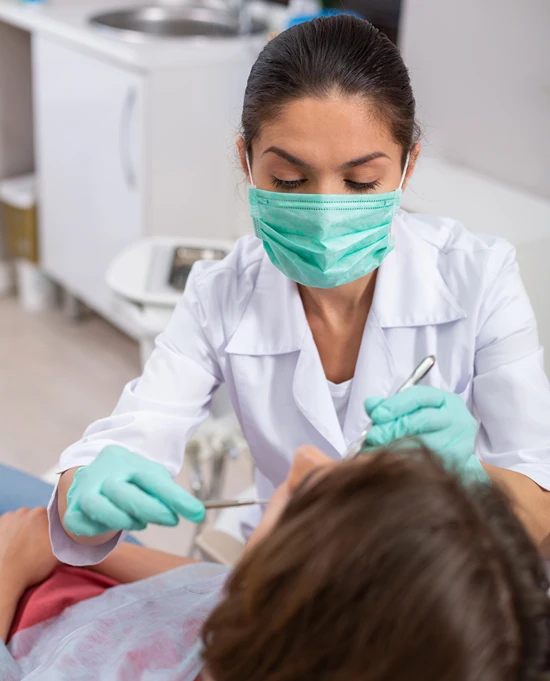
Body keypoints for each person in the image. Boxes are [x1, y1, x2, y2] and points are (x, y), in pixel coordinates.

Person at [51, 15, 550, 566]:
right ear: (246, 162)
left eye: (360, 183)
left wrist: (470, 479)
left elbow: (539, 505)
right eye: (290, 182)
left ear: (408, 167)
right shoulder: (219, 294)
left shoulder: (480, 277)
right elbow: (132, 436)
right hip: (287, 571)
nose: (326, 209)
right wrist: (83, 493)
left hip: (438, 579)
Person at [2, 449, 550, 681]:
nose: (307, 458)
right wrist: (63, 540)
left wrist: (14, 564)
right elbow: (203, 586)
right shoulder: (263, 617)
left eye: (308, 497)